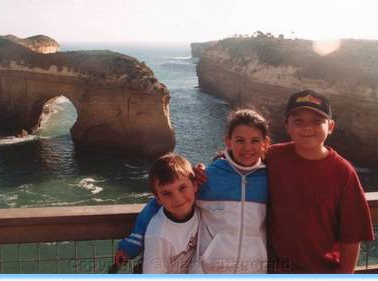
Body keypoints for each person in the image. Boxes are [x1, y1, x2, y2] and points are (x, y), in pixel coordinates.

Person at [115, 109, 271, 273]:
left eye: (255, 140)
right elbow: (161, 202)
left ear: (265, 143)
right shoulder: (208, 177)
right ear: (228, 141)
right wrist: (134, 242)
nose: (247, 147)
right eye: (240, 140)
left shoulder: (270, 178)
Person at [266, 89, 374, 273]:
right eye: (298, 121)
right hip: (275, 270)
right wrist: (201, 173)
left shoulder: (343, 172)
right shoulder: (272, 156)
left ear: (330, 126)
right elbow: (240, 162)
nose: (307, 128)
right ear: (286, 126)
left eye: (317, 121)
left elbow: (352, 235)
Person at [142, 153, 199, 273]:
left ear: (195, 185)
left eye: (182, 188)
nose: (178, 199)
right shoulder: (158, 236)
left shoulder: (202, 207)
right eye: (167, 194)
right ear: (158, 199)